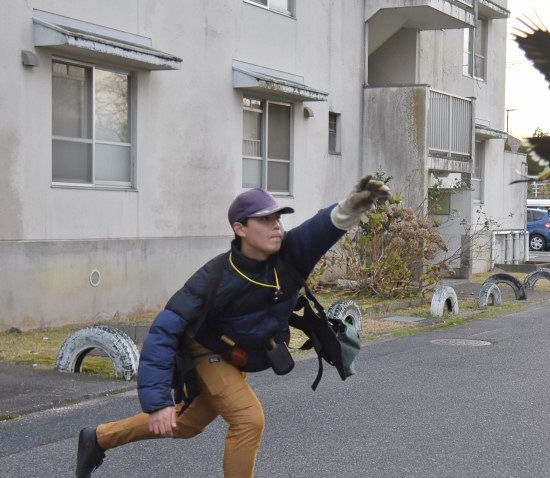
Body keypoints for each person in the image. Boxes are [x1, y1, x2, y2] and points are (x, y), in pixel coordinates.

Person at [75, 175, 391, 478]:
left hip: (237, 355)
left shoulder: (290, 256)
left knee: (186, 425)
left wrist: (351, 206)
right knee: (248, 419)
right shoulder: (213, 277)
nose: (276, 226)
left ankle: (98, 438)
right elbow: (163, 331)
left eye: (278, 219)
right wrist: (157, 403)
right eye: (265, 220)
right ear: (239, 228)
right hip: (207, 352)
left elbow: (320, 229)